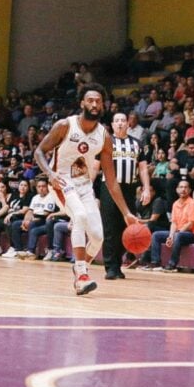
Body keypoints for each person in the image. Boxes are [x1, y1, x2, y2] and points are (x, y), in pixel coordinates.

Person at [34, 84, 138, 296]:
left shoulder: (104, 136)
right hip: (61, 181)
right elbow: (39, 152)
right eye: (90, 100)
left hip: (84, 185)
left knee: (98, 237)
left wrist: (126, 212)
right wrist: (50, 174)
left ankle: (80, 268)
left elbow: (111, 181)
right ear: (82, 103)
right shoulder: (65, 125)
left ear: (103, 106)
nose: (94, 104)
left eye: (98, 101)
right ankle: (81, 275)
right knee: (79, 216)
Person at [100, 112, 152, 280]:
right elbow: (95, 166)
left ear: (128, 124)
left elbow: (143, 168)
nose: (121, 123)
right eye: (117, 121)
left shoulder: (137, 143)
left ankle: (118, 264)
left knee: (125, 228)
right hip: (108, 188)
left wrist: (146, 188)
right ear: (112, 125)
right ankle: (110, 267)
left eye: (123, 120)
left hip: (129, 188)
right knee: (109, 229)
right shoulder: (106, 143)